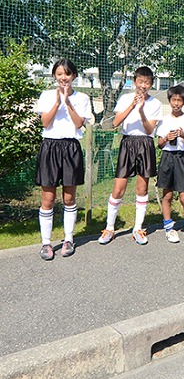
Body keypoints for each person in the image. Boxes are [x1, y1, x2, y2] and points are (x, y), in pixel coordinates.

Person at [35, 58, 93, 260]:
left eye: (67, 74)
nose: (63, 78)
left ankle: (69, 239)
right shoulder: (46, 95)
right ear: (54, 76)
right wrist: (58, 101)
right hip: (50, 147)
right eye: (59, 74)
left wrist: (67, 102)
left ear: (74, 76)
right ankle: (46, 243)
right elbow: (45, 123)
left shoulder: (83, 98)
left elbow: (78, 124)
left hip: (71, 147)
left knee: (69, 198)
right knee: (48, 199)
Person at [100, 66, 162, 245]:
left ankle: (138, 228)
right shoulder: (126, 98)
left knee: (142, 189)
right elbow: (115, 123)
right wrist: (133, 105)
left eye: (147, 82)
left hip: (146, 143)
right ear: (134, 82)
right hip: (128, 143)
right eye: (140, 82)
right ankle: (109, 228)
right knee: (118, 188)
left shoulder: (156, 104)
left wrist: (142, 110)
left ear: (151, 84)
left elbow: (150, 129)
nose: (143, 86)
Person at [156, 85, 184, 246]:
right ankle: (169, 228)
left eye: (179, 100)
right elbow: (159, 144)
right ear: (169, 101)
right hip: (167, 157)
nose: (176, 103)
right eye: (173, 100)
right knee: (167, 195)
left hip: (182, 158)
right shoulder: (164, 120)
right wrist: (167, 137)